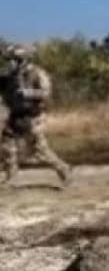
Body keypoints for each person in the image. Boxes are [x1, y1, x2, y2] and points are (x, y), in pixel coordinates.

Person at [1, 44, 72, 187]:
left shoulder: (37, 73)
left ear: (24, 60)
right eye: (10, 59)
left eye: (15, 59)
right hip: (16, 116)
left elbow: (46, 94)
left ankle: (63, 169)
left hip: (33, 117)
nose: (11, 63)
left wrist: (28, 93)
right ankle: (10, 173)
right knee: (6, 145)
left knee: (38, 150)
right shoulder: (11, 76)